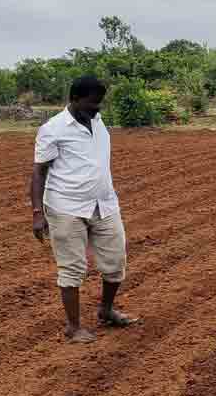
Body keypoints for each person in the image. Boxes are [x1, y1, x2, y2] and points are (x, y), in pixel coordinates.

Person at [31, 76, 138, 344]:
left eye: (99, 104)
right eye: (92, 104)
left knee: (115, 262)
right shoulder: (53, 129)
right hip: (66, 207)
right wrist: (37, 213)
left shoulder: (97, 121)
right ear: (75, 99)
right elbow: (39, 172)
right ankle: (73, 326)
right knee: (72, 268)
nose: (97, 109)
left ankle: (106, 310)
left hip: (104, 203)